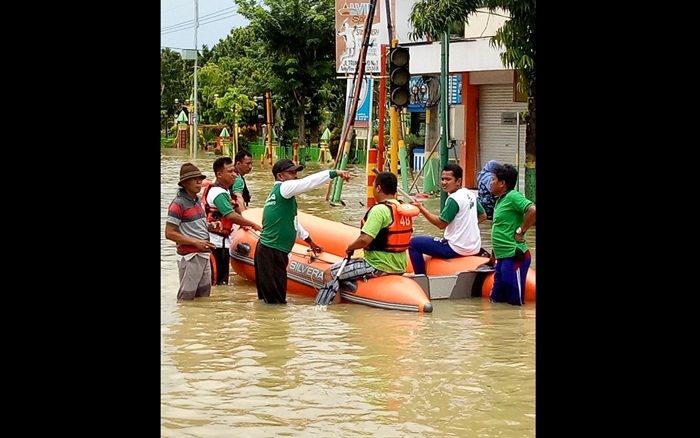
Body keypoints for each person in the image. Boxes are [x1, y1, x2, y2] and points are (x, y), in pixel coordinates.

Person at [255, 159, 351, 304]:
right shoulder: (284, 188)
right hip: (270, 251)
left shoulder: (283, 196)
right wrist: (334, 173)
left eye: (296, 172)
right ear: (280, 176)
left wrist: (310, 242)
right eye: (291, 172)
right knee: (275, 303)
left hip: (273, 251)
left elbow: (293, 223)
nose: (295, 176)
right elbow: (308, 183)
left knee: (273, 300)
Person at [314, 171, 412, 306]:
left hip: (377, 265)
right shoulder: (401, 208)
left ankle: (333, 315)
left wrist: (350, 247)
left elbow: (365, 240)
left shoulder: (379, 210)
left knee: (329, 274)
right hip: (400, 265)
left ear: (378, 188)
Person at [408, 163, 488, 275]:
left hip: (456, 248)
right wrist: (464, 225)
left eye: (448, 179)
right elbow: (483, 216)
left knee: (413, 243)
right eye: (442, 179)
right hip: (474, 247)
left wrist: (421, 209)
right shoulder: (470, 194)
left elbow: (441, 224)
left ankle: (420, 276)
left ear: (458, 181)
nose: (444, 183)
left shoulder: (454, 199)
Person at [202, 157, 262, 285]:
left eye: (234, 171)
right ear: (219, 174)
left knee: (220, 281)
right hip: (216, 244)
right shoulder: (218, 193)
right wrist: (252, 224)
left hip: (220, 241)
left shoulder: (223, 191)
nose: (234, 175)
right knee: (217, 283)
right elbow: (230, 215)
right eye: (230, 172)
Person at [165, 163, 218, 300]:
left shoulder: (197, 201)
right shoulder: (178, 204)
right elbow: (169, 233)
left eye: (200, 178)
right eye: (194, 179)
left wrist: (210, 226)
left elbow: (196, 225)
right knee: (186, 297)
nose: (199, 182)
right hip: (190, 256)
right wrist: (195, 242)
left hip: (203, 254)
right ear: (184, 183)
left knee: (204, 295)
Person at [488, 163, 536, 306]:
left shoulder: (513, 196)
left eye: (493, 179)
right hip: (502, 257)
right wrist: (494, 253)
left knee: (515, 300)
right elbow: (501, 228)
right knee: (495, 298)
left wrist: (520, 231)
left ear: (502, 183)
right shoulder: (500, 200)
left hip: (515, 255)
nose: (490, 183)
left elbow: (532, 210)